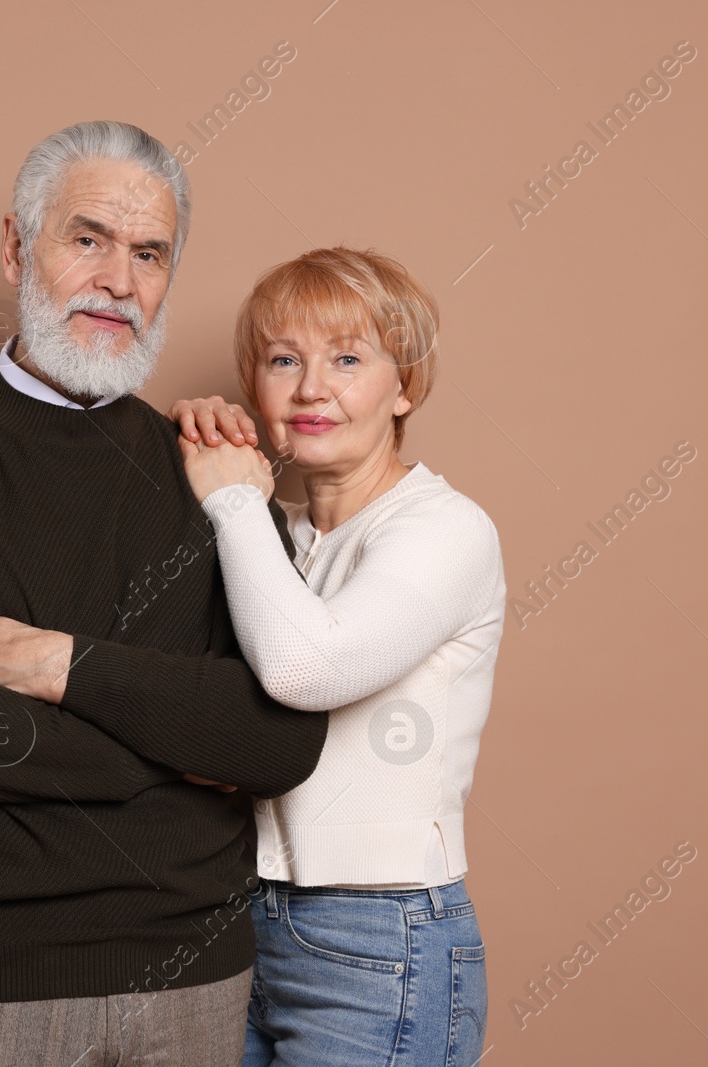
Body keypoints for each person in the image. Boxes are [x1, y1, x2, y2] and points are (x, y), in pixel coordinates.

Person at [0, 120, 328, 1067]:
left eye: (149, 253)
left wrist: (66, 667)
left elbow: (278, 736)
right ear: (18, 246)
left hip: (189, 975)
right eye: (87, 239)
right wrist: (178, 747)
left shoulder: (213, 474)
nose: (119, 281)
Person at [166, 247, 507, 1065]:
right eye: (284, 360)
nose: (311, 387)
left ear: (405, 387)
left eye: (348, 359)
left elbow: (305, 671)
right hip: (235, 919)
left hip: (380, 933)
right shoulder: (271, 533)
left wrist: (233, 497)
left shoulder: (445, 529)